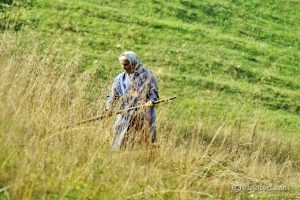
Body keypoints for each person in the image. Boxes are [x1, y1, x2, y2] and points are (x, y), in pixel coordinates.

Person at [105, 51, 159, 150]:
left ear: (133, 63)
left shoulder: (147, 75)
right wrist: (109, 107)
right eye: (122, 65)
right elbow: (113, 96)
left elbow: (153, 93)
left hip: (144, 114)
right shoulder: (120, 78)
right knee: (120, 141)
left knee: (147, 142)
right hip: (125, 114)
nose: (123, 67)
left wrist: (150, 101)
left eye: (126, 64)